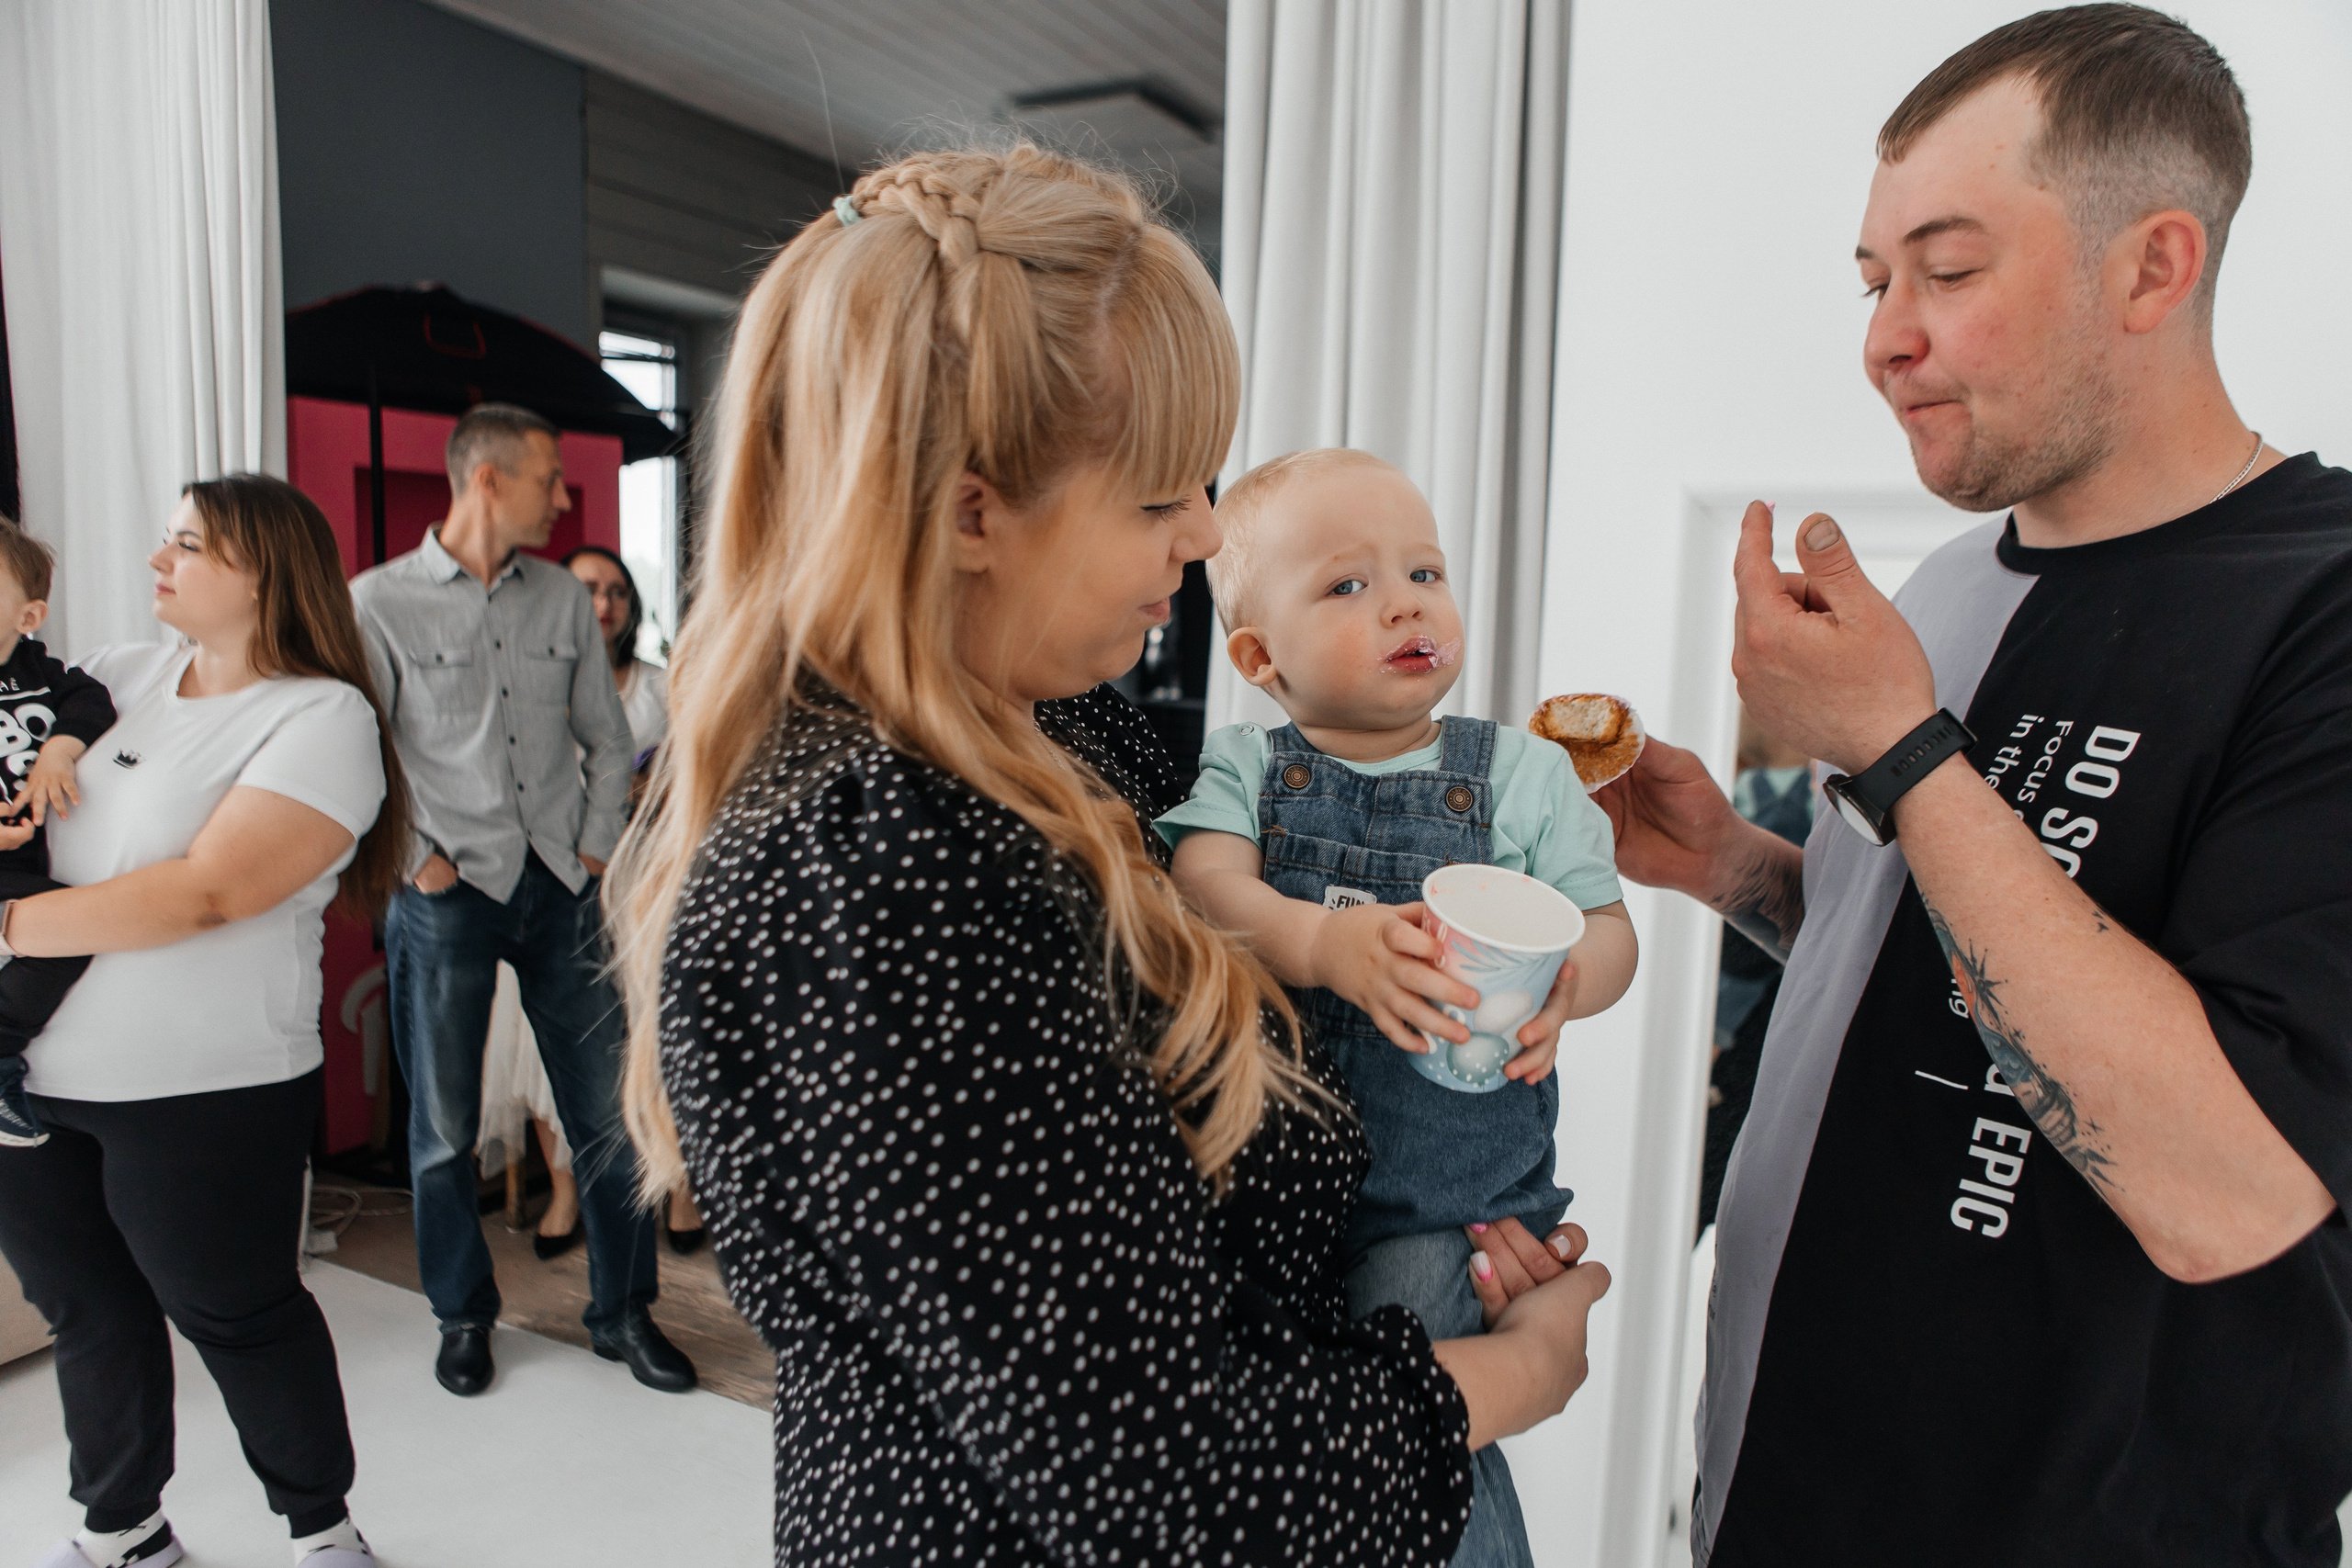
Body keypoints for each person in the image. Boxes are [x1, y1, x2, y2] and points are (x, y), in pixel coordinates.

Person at [605, 145, 1613, 1566]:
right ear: (972, 511)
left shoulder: (1072, 736)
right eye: (1156, 499)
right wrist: (1524, 1366)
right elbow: (1156, 1477)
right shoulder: (870, 876)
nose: (1205, 535)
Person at [1598, 9, 2352, 1564]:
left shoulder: (2326, 606)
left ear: (2151, 267)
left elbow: (2234, 1186)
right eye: (1874, 282)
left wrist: (1897, 751)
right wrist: (1743, 869)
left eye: (1946, 272)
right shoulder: (1945, 587)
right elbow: (1944, 963)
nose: (1883, 336)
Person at [1158, 448, 1638, 1568]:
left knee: (1417, 1429)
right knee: (1289, 1450)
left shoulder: (1521, 776)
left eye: (1423, 571)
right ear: (1256, 656)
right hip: (1255, 1185)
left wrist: (1572, 989)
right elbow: (1203, 891)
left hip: (1444, 1200)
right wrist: (1322, 942)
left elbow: (1608, 930)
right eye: (1348, 585)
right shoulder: (1243, 767)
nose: (1405, 602)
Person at [0, 475, 405, 1568]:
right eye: (164, 540)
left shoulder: (322, 715)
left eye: (186, 543)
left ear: (264, 571)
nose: (155, 560)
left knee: (237, 1313)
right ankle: (124, 1528)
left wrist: (7, 929)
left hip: (200, 1088)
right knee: (89, 1315)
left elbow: (208, 892)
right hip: (34, 1078)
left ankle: (323, 1534)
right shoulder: (121, 679)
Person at [353, 403, 693, 1397]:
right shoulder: (375, 603)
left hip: (561, 886)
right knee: (441, 1131)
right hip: (446, 893)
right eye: (550, 476)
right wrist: (417, 860)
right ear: (488, 479)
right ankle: (462, 1315)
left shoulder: (560, 602)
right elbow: (363, 749)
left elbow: (602, 736)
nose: (563, 493)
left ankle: (623, 1314)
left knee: (608, 1116)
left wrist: (590, 851)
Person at [478, 543, 697, 1258]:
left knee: (659, 1028)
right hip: (552, 878)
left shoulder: (662, 688)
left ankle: (680, 1184)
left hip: (648, 880)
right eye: (587, 590)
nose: (603, 605)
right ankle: (565, 1186)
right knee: (541, 1040)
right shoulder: (523, 686)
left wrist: (652, 790)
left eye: (617, 592)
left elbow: (703, 776)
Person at [0, 520, 118, 1146]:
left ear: (29, 614)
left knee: (73, 932)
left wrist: (59, 753)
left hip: (25, 871)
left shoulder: (42, 673)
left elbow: (92, 701)